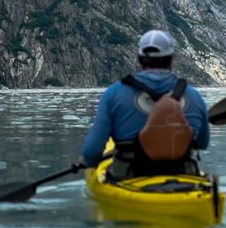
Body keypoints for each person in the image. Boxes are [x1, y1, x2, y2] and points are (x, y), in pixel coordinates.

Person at [79, 30, 209, 178]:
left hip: (130, 178)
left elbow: (92, 152)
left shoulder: (113, 94)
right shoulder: (194, 96)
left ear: (139, 58)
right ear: (172, 59)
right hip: (184, 179)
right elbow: (202, 143)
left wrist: (87, 161)